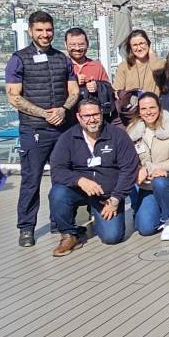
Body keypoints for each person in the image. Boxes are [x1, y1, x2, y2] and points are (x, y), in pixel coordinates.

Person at [5, 10, 79, 247]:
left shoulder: (62, 59)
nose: (45, 34)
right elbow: (13, 96)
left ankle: (61, 222)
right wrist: (44, 114)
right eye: (39, 30)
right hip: (34, 129)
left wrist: (63, 110)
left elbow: (74, 91)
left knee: (63, 177)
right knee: (31, 180)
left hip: (62, 128)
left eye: (48, 30)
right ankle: (26, 227)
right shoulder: (19, 59)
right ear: (30, 31)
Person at [47, 99, 139, 256]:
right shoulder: (68, 138)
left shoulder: (118, 136)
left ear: (101, 114)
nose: (92, 119)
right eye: (86, 115)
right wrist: (79, 180)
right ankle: (69, 235)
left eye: (95, 114)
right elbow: (57, 170)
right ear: (78, 117)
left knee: (112, 237)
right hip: (79, 190)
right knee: (57, 193)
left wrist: (116, 199)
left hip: (108, 195)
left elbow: (129, 169)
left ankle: (100, 217)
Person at [127, 92, 169, 240]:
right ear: (139, 111)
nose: (148, 112)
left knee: (160, 182)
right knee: (145, 228)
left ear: (159, 108)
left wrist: (150, 169)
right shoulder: (132, 131)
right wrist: (139, 171)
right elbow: (128, 161)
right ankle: (160, 205)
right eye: (144, 109)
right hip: (146, 183)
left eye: (152, 107)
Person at [113, 29, 166, 97]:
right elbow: (117, 90)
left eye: (141, 43)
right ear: (130, 48)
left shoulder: (160, 63)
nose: (139, 48)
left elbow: (156, 68)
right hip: (132, 105)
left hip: (153, 105)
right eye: (135, 45)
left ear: (148, 44)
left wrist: (151, 53)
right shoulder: (124, 66)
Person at [63, 27, 110, 96]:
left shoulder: (97, 66)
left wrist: (97, 86)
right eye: (72, 45)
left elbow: (109, 89)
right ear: (65, 45)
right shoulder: (61, 65)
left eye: (81, 44)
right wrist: (73, 81)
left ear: (87, 44)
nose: (77, 48)